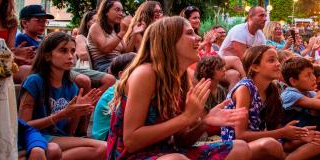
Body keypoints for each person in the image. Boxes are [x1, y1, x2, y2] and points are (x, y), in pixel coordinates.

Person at [106, 16, 251, 159]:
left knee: (240, 148)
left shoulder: (183, 78)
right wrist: (187, 117)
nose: (198, 38)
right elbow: (131, 141)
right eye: (189, 33)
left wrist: (204, 123)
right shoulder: (145, 73)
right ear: (169, 41)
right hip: (133, 155)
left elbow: (181, 141)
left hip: (169, 152)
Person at [18, 32, 107, 160]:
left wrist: (77, 112)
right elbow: (24, 126)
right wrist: (62, 114)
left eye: (72, 51)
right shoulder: (34, 81)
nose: (70, 56)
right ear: (47, 56)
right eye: (63, 51)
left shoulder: (71, 86)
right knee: (102, 147)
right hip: (35, 137)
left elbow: (69, 133)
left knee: (103, 149)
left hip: (58, 140)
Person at [222, 46, 309, 159]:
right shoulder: (245, 89)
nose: (278, 64)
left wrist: (296, 134)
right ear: (255, 67)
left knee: (319, 140)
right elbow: (240, 135)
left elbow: (274, 128)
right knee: (270, 145)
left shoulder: (272, 89)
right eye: (271, 60)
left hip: (262, 140)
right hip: (238, 147)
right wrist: (282, 132)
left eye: (277, 59)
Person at [91, 53, 135, 141]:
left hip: (113, 131)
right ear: (122, 74)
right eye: (136, 70)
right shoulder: (118, 89)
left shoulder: (127, 86)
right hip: (105, 137)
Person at [72, 11, 116, 95]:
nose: (99, 24)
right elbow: (82, 55)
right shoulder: (81, 37)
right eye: (96, 21)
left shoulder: (106, 36)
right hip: (87, 69)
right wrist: (98, 51)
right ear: (88, 23)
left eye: (100, 21)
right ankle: (94, 101)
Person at [87, 0, 126, 72]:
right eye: (117, 10)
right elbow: (105, 49)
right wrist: (122, 33)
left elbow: (126, 51)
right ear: (106, 12)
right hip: (104, 67)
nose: (121, 14)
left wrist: (135, 33)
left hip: (118, 65)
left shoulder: (116, 30)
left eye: (122, 11)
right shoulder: (96, 27)